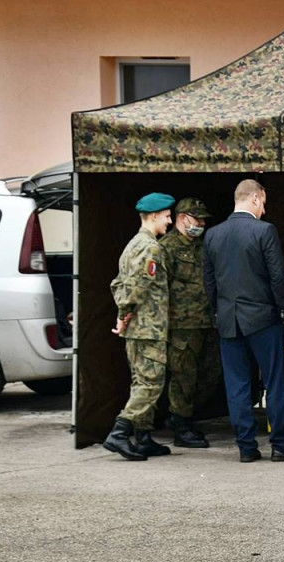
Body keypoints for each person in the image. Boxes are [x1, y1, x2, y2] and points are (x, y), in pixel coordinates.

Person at [203, 179, 284, 463]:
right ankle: (281, 443)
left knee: (237, 384)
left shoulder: (212, 235)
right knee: (275, 380)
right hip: (263, 318)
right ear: (253, 198)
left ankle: (246, 446)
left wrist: (219, 310)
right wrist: (283, 310)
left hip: (228, 320)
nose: (264, 209)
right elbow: (277, 276)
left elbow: (209, 282)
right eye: (263, 202)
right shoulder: (264, 231)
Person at [104, 192, 176, 461]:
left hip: (139, 327)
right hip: (149, 328)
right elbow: (135, 288)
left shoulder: (133, 245)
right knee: (151, 383)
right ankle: (120, 432)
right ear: (155, 216)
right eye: (167, 216)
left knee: (140, 381)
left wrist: (123, 315)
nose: (169, 221)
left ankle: (143, 437)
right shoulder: (150, 248)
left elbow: (118, 284)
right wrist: (125, 312)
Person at [160, 197, 219, 449]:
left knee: (209, 374)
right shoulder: (166, 248)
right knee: (183, 376)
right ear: (182, 218)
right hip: (181, 325)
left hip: (207, 321)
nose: (202, 223)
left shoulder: (204, 246)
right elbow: (160, 288)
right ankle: (181, 425)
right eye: (197, 218)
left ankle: (183, 417)